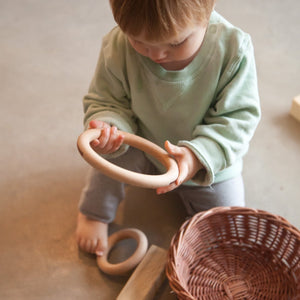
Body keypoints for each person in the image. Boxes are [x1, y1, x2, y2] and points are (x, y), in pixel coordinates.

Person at [76, 0, 261, 256]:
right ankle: (94, 214)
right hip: (142, 142)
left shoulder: (232, 49)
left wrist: (197, 157)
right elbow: (106, 100)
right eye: (139, 42)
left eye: (175, 43)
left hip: (206, 162)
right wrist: (109, 128)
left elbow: (238, 119)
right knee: (105, 164)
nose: (156, 55)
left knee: (228, 230)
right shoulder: (117, 45)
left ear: (205, 15)